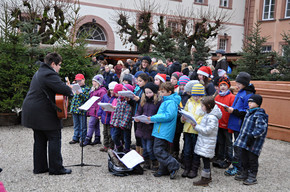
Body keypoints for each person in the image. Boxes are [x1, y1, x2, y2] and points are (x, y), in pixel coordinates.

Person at [22, 52, 73, 175]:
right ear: (53, 64)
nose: (60, 67)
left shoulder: (40, 72)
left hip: (33, 111)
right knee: (54, 137)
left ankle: (40, 168)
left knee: (39, 139)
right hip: (43, 112)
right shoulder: (50, 73)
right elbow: (64, 90)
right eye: (59, 65)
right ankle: (56, 168)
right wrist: (69, 88)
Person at [224, 72, 256, 176]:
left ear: (245, 83)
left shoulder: (248, 95)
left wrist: (234, 111)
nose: (236, 86)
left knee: (238, 147)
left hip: (241, 125)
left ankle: (238, 167)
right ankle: (239, 166)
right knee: (236, 146)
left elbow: (248, 112)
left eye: (239, 84)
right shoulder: (241, 92)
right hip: (235, 124)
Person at [148, 82, 181, 179]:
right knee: (162, 149)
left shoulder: (170, 102)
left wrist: (153, 118)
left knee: (158, 150)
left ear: (169, 92)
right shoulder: (167, 101)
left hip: (163, 130)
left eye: (163, 92)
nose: (161, 93)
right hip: (161, 129)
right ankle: (164, 169)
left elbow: (168, 116)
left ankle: (173, 164)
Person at [233, 94, 268, 185]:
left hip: (254, 142)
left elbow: (261, 128)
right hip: (245, 141)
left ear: (258, 104)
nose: (249, 103)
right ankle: (245, 172)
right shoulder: (249, 112)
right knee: (244, 157)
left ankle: (252, 176)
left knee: (252, 158)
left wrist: (253, 135)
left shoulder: (260, 114)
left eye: (252, 102)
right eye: (249, 102)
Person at [191, 96, 222, 186]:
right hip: (205, 141)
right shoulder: (208, 114)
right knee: (205, 159)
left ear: (208, 106)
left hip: (207, 142)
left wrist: (196, 127)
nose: (201, 108)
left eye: (202, 106)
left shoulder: (212, 117)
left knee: (206, 160)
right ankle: (207, 176)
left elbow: (207, 130)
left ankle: (205, 178)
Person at [181, 84, 206, 179]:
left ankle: (194, 169)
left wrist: (197, 122)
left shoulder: (203, 103)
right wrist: (183, 118)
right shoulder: (189, 101)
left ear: (201, 95)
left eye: (198, 95)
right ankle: (187, 168)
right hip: (187, 129)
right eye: (194, 95)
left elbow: (204, 116)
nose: (196, 97)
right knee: (187, 150)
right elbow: (186, 111)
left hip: (197, 130)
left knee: (196, 151)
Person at [135, 82, 161, 170]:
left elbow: (159, 114)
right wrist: (137, 117)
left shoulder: (158, 102)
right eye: (146, 93)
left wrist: (151, 119)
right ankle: (146, 161)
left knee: (150, 147)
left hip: (151, 128)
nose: (148, 95)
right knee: (144, 147)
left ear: (154, 92)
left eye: (150, 92)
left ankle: (154, 162)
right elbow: (139, 111)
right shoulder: (143, 101)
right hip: (142, 127)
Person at [213, 77, 235, 169]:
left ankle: (229, 159)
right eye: (221, 85)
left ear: (228, 86)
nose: (222, 87)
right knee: (220, 141)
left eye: (224, 85)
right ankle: (220, 157)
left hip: (227, 124)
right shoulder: (217, 97)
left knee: (228, 142)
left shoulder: (232, 97)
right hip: (219, 123)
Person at [83, 75, 107, 146]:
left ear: (98, 82)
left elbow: (102, 101)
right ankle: (97, 138)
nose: (93, 83)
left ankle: (88, 138)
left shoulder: (102, 91)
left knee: (91, 124)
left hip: (97, 110)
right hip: (93, 110)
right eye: (93, 81)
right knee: (96, 125)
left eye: (94, 81)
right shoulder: (94, 90)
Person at [110, 84, 135, 153]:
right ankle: (119, 147)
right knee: (114, 137)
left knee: (126, 138)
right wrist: (113, 122)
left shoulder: (129, 102)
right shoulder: (119, 100)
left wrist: (123, 124)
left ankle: (127, 150)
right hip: (118, 123)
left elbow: (128, 114)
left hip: (125, 124)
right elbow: (116, 112)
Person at [69, 74, 90, 146]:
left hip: (82, 109)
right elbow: (72, 96)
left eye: (80, 80)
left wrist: (79, 93)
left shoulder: (87, 88)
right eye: (77, 81)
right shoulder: (75, 87)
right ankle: (75, 138)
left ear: (83, 79)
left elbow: (86, 98)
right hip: (75, 108)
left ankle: (83, 139)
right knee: (76, 125)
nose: (79, 82)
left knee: (83, 126)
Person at [132, 73, 150, 155]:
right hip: (136, 114)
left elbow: (147, 103)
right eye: (137, 81)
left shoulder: (146, 90)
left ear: (145, 81)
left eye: (140, 81)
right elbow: (134, 103)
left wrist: (139, 100)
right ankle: (137, 152)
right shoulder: (138, 89)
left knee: (142, 136)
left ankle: (142, 155)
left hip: (143, 115)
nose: (138, 82)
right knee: (136, 134)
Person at [98, 81, 118, 152]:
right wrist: (99, 114)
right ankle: (105, 145)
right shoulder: (105, 96)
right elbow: (101, 106)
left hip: (111, 119)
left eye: (113, 90)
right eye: (111, 90)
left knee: (110, 134)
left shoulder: (115, 98)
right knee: (105, 132)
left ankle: (111, 146)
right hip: (104, 117)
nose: (112, 92)